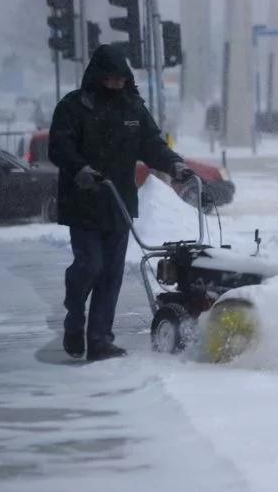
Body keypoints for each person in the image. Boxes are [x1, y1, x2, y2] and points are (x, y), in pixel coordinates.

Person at [49, 45, 194, 362]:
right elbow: (59, 147)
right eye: (110, 79)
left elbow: (152, 144)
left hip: (118, 203)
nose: (116, 85)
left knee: (111, 273)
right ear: (97, 76)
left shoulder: (133, 109)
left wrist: (174, 165)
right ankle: (75, 317)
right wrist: (80, 169)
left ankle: (100, 340)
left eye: (120, 79)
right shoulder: (74, 106)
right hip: (83, 202)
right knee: (90, 265)